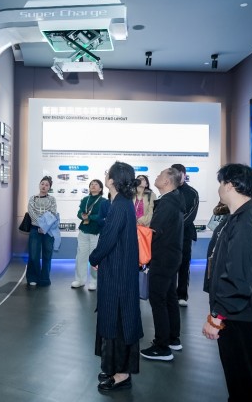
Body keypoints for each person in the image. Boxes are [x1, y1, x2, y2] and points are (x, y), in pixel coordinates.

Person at [203, 163, 252, 402]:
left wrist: (217, 317)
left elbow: (237, 276)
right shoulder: (240, 217)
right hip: (239, 310)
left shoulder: (244, 222)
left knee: (241, 377)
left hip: (238, 312)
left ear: (230, 185)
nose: (219, 188)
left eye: (221, 183)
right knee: (240, 376)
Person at [89, 162, 143, 392]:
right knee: (115, 319)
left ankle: (122, 374)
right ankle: (113, 367)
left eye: (107, 174)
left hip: (118, 274)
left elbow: (108, 239)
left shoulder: (120, 205)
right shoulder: (121, 202)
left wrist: (94, 258)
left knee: (119, 322)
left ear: (112, 180)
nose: (105, 176)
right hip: (118, 270)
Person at [140, 167, 185, 361]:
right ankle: (173, 338)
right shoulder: (174, 200)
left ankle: (161, 347)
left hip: (163, 257)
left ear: (167, 181)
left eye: (160, 175)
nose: (157, 177)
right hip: (172, 256)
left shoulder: (167, 203)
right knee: (169, 297)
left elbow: (155, 231)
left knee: (158, 299)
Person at [171, 164, 198, 307]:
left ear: (184, 175)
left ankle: (182, 295)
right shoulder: (169, 191)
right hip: (169, 235)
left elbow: (191, 215)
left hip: (185, 234)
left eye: (178, 173)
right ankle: (170, 293)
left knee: (183, 264)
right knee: (169, 264)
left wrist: (176, 226)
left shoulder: (192, 192)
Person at [72, 179, 107, 290]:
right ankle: (80, 280)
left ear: (100, 189)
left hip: (96, 232)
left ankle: (94, 281)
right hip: (84, 230)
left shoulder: (104, 201)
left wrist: (90, 217)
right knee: (80, 256)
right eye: (91, 184)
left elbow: (103, 216)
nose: (93, 186)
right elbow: (79, 212)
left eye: (96, 184)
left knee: (94, 257)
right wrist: (82, 216)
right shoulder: (85, 199)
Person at [26, 175, 57, 286]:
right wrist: (40, 225)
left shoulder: (52, 199)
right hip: (35, 228)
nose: (44, 186)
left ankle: (44, 279)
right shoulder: (33, 198)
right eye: (42, 184)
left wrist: (45, 227)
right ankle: (32, 277)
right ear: (39, 185)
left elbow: (52, 213)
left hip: (48, 230)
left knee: (47, 254)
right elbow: (31, 212)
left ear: (49, 188)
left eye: (47, 185)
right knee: (33, 254)